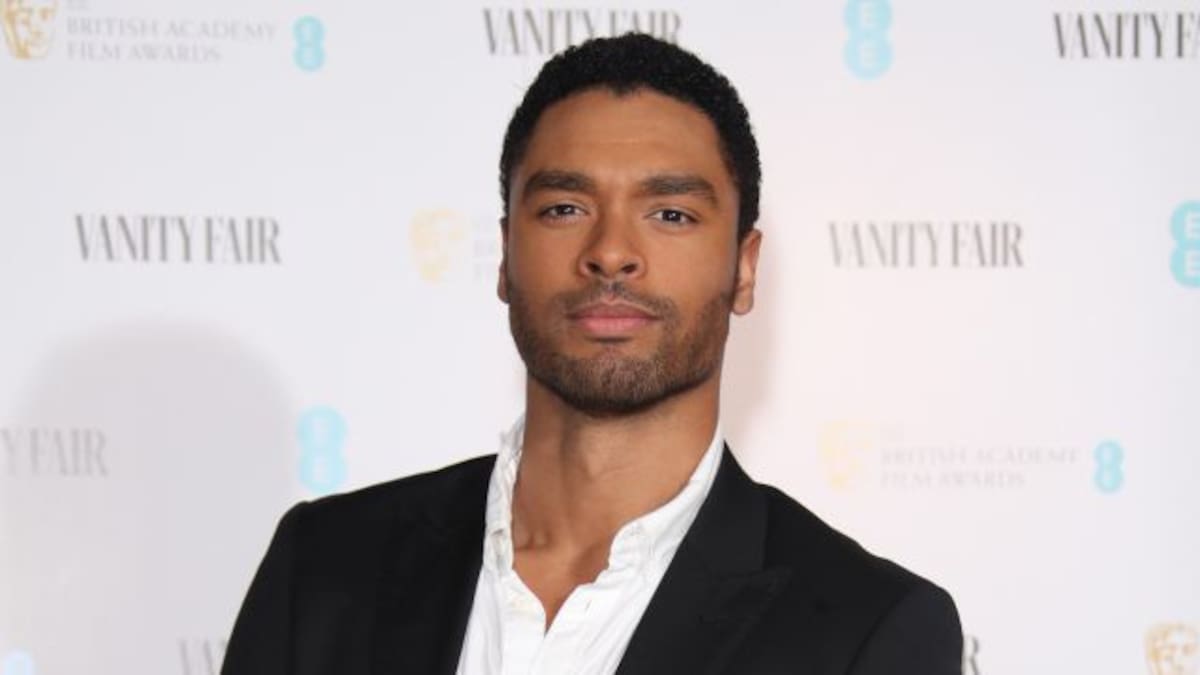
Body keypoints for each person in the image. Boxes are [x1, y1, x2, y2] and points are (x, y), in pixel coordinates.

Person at [221, 33, 963, 675]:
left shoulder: (866, 630)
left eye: (670, 213)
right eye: (565, 208)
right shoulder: (324, 567)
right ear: (505, 256)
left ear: (744, 269)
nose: (610, 251)